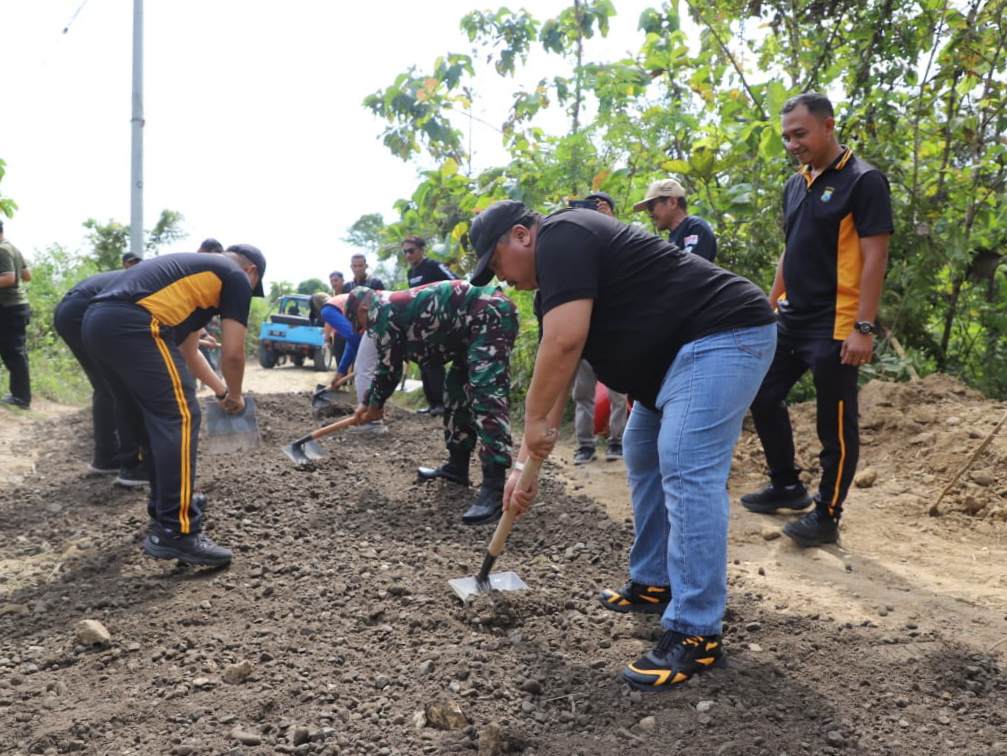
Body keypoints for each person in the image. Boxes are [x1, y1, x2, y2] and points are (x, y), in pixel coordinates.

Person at [469, 200, 776, 689]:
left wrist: (528, 419)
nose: (500, 279)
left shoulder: (562, 236)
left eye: (496, 264)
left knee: (684, 463)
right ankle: (654, 580)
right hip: (668, 365)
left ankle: (696, 631)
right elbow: (560, 376)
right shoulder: (552, 285)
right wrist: (523, 468)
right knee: (641, 448)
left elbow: (564, 344)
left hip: (721, 333)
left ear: (522, 236)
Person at [742, 93, 893, 548]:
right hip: (793, 317)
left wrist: (863, 327)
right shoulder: (797, 184)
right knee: (763, 393)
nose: (793, 144)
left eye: (800, 134)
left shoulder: (863, 181)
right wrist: (768, 304)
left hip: (837, 322)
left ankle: (827, 514)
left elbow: (875, 256)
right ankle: (787, 485)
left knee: (835, 422)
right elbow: (792, 250)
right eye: (787, 136)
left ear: (828, 126)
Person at [82, 244, 266, 567]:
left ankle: (165, 507)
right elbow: (234, 353)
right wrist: (237, 394)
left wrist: (222, 393)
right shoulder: (236, 276)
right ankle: (176, 529)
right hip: (133, 322)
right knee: (180, 415)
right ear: (252, 272)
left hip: (97, 322)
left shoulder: (193, 282)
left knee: (150, 417)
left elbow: (187, 351)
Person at [345, 281, 518, 525]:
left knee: (486, 395)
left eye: (360, 325)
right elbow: (390, 365)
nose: (365, 330)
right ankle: (457, 467)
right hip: (466, 332)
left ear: (362, 309)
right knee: (456, 393)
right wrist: (368, 403)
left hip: (489, 314)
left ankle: (495, 488)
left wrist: (374, 406)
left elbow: (389, 369)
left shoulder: (380, 311)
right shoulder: (386, 307)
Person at [54, 269, 146, 483]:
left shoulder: (151, 274)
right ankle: (132, 464)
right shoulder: (165, 283)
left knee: (106, 387)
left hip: (71, 309)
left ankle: (107, 457)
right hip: (86, 310)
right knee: (122, 385)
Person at [570, 193, 628, 464]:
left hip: (614, 331)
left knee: (619, 393)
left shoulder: (623, 239)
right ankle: (585, 445)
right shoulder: (580, 244)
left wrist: (610, 222)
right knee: (583, 394)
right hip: (585, 330)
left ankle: (617, 442)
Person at [402, 235, 456, 416]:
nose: (408, 255)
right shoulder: (411, 273)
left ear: (422, 250)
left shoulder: (434, 266)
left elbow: (456, 282)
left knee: (434, 361)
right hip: (420, 326)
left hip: (439, 322)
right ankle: (432, 404)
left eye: (411, 250)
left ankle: (441, 404)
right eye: (405, 252)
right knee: (423, 363)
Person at [634, 178, 718, 262]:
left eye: (651, 207)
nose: (650, 214)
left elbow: (691, 268)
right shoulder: (673, 239)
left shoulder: (695, 227)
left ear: (672, 202)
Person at [0, 220, 32, 409]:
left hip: (9, 308)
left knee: (14, 352)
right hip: (15, 306)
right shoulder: (13, 248)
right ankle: (19, 395)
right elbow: (26, 276)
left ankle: (21, 398)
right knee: (15, 352)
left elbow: (9, 278)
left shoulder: (2, 250)